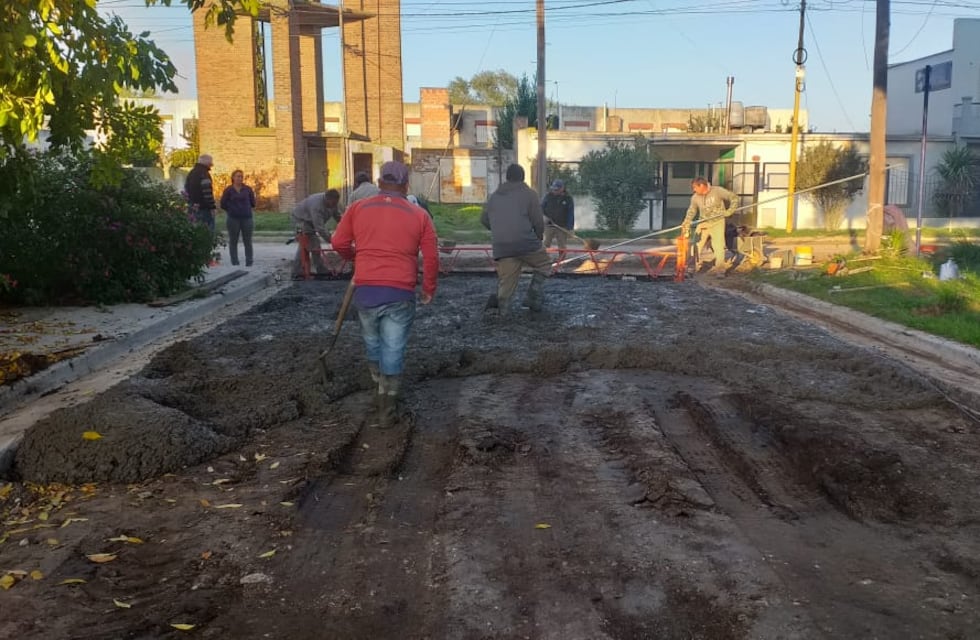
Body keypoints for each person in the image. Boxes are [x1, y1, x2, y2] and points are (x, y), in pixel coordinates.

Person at [331, 161, 438, 427]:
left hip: (366, 288)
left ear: (379, 183)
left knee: (372, 339)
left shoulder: (357, 208)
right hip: (400, 290)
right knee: (393, 345)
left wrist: (356, 258)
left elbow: (338, 243)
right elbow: (432, 257)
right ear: (406, 185)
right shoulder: (419, 215)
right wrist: (428, 289)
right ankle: (387, 406)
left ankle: (377, 386)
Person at [480, 164, 551, 315]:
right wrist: (538, 238)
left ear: (507, 177)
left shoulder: (494, 196)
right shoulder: (529, 194)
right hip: (526, 242)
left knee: (507, 281)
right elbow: (538, 221)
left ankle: (503, 311)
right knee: (544, 264)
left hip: (502, 246)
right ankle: (532, 296)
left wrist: (499, 232)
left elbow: (484, 219)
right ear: (523, 177)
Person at [681, 177, 740, 275]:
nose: (694, 190)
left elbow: (734, 198)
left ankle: (720, 270)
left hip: (717, 222)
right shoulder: (695, 197)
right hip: (703, 222)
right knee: (696, 245)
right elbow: (691, 211)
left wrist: (730, 211)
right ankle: (692, 267)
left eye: (695, 187)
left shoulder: (717, 191)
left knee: (718, 246)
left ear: (702, 186)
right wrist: (686, 222)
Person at [291, 189, 343, 279]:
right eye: (333, 203)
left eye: (336, 203)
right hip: (301, 219)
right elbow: (320, 228)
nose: (334, 206)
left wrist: (346, 228)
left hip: (310, 220)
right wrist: (332, 240)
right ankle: (300, 272)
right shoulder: (317, 206)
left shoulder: (333, 203)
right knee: (309, 242)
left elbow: (338, 217)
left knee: (310, 244)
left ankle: (304, 270)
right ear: (327, 199)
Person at [219, 169, 256, 267]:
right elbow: (222, 204)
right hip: (233, 219)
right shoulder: (228, 190)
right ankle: (235, 262)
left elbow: (253, 203)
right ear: (233, 178)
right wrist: (231, 209)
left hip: (247, 218)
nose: (240, 178)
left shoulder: (248, 189)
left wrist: (244, 208)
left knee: (247, 240)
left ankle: (249, 261)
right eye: (237, 176)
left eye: (241, 176)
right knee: (233, 240)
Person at [184, 154, 217, 234]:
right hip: (204, 209)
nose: (212, 165)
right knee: (207, 233)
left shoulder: (191, 173)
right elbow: (207, 192)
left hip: (192, 207)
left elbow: (186, 189)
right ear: (205, 162)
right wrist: (212, 207)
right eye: (210, 162)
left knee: (194, 232)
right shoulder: (204, 174)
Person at [541, 179, 575, 253]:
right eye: (554, 189)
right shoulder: (548, 196)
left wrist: (570, 228)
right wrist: (543, 217)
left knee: (562, 246)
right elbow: (540, 208)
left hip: (562, 226)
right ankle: (543, 260)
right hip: (549, 225)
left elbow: (570, 214)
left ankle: (561, 261)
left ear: (562, 188)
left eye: (557, 189)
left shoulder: (568, 198)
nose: (555, 191)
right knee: (545, 244)